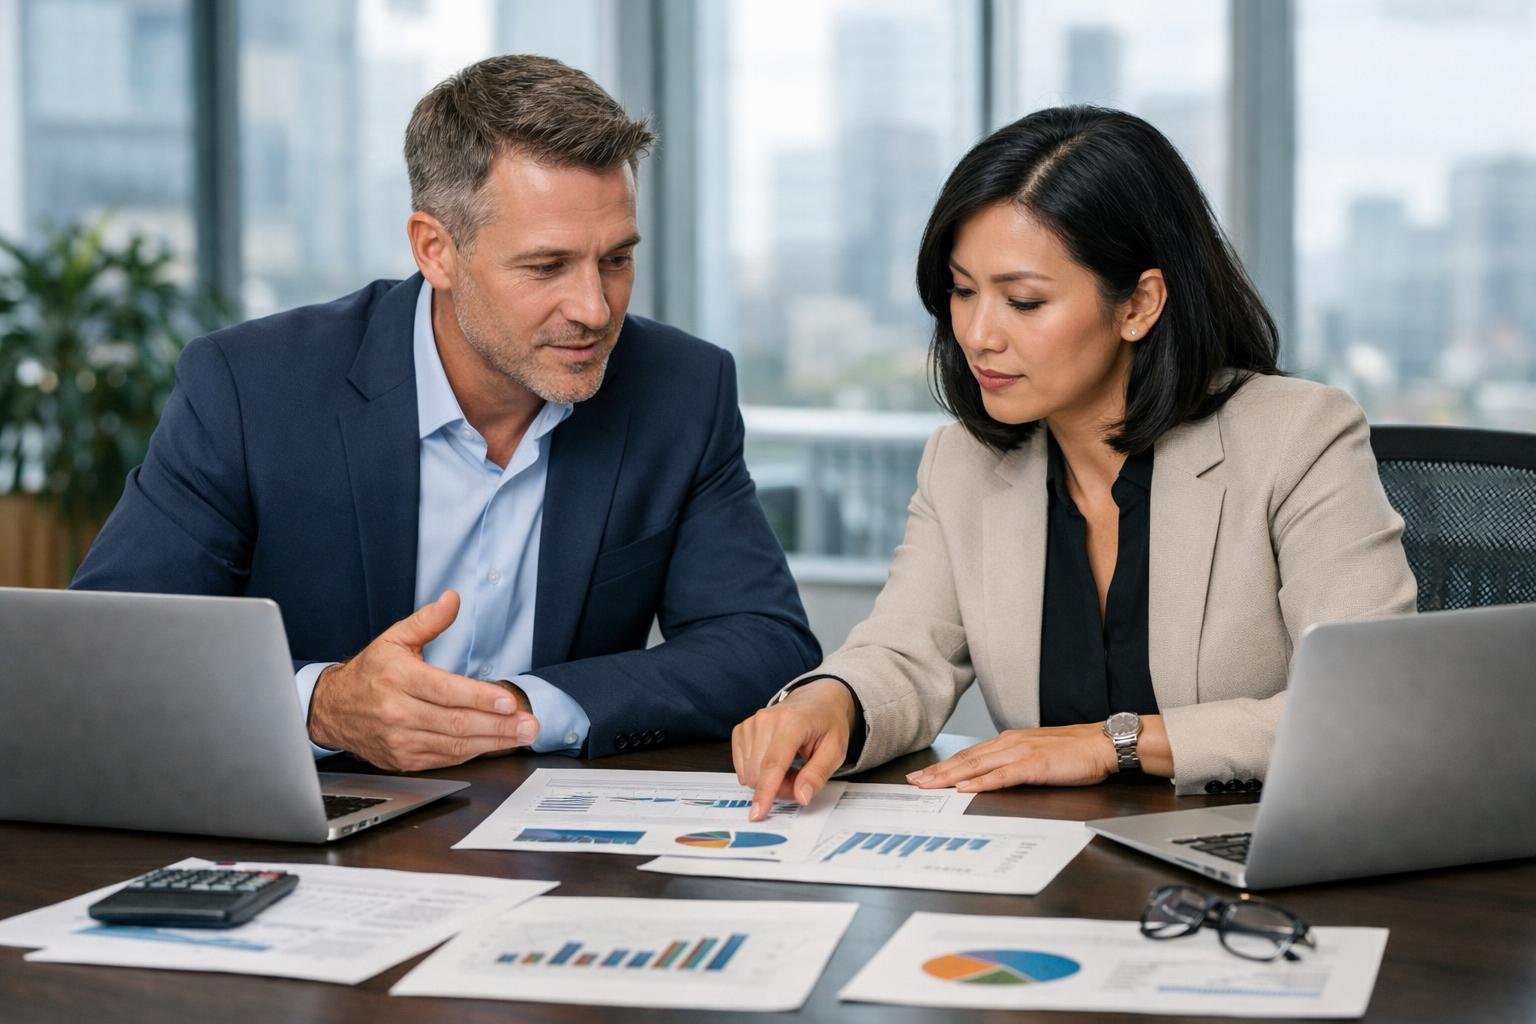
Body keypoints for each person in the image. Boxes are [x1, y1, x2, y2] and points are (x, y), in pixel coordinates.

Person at [73, 55, 819, 772]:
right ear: (436, 250)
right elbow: (107, 648)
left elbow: (762, 643)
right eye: (546, 265)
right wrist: (322, 705)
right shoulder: (253, 386)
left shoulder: (680, 389)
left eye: (616, 260)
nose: (594, 309)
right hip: (316, 828)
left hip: (557, 847)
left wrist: (523, 707)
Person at [732, 106, 1416, 819]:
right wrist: (826, 701)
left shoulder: (1297, 436)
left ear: (1140, 304)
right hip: (1053, 872)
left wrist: (1112, 744)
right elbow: (906, 654)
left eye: (1024, 301)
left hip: (1261, 859)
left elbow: (1366, 710)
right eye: (963, 291)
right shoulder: (962, 463)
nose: (978, 334)